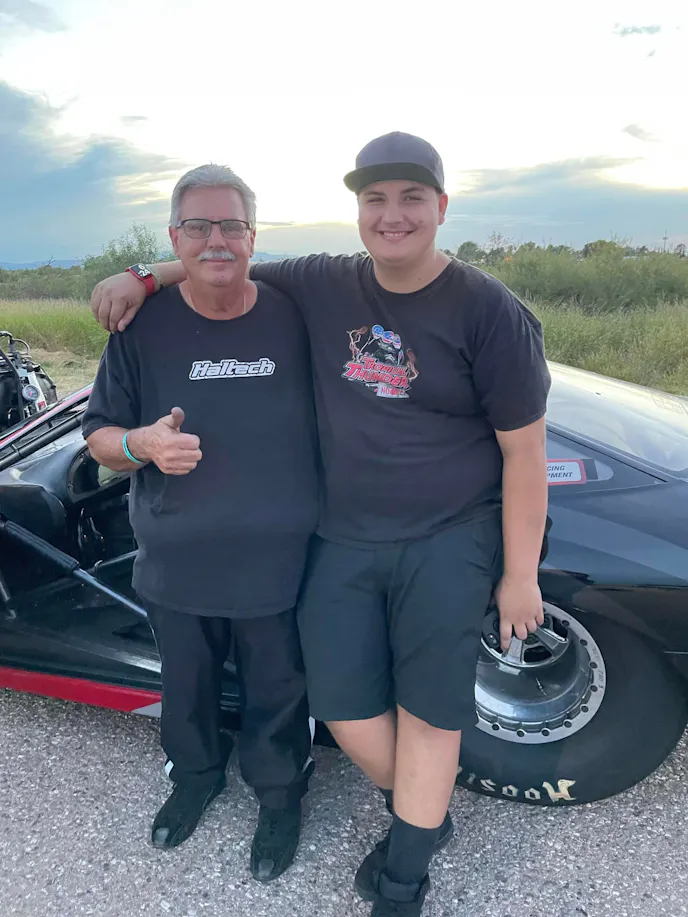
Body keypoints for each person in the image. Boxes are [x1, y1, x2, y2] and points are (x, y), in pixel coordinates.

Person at [91, 133, 551, 917]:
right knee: (334, 705)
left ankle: (400, 866)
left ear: (441, 207)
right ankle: (416, 807)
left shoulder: (482, 308)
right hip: (322, 539)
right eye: (376, 200)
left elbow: (525, 451)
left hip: (434, 537)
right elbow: (215, 265)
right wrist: (138, 277)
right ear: (358, 210)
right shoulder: (322, 282)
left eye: (412, 198)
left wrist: (520, 573)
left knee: (416, 708)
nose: (393, 215)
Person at [82, 164, 320, 884]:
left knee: (278, 690)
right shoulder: (142, 327)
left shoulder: (295, 312)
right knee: (185, 687)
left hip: (280, 561)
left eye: (230, 226)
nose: (215, 240)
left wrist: (142, 272)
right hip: (175, 557)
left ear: (253, 235)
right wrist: (142, 445)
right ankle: (195, 777)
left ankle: (279, 796)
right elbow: (100, 437)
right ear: (173, 236)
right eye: (197, 226)